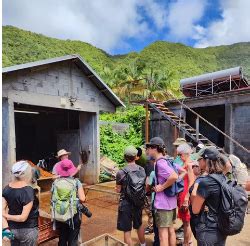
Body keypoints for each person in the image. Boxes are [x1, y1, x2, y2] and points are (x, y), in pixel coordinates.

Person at [192, 147, 227, 246]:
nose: (199, 161)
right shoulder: (223, 178)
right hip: (222, 227)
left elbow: (195, 210)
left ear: (205, 160)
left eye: (200, 159)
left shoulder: (206, 182)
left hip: (208, 229)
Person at [147, 137, 178, 246]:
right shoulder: (168, 160)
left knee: (162, 236)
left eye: (149, 147)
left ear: (154, 148)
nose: (148, 150)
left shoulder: (160, 163)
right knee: (171, 231)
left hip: (163, 205)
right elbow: (181, 172)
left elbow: (174, 176)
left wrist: (162, 187)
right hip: (171, 203)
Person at [2, 161, 39, 246]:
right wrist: (6, 216)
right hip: (28, 230)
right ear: (27, 173)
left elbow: (1, 211)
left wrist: (5, 229)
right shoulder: (28, 190)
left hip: (12, 229)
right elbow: (23, 218)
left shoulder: (6, 189)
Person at [116, 146, 146, 246]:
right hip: (138, 201)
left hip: (126, 203)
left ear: (125, 157)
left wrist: (117, 189)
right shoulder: (142, 170)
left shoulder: (121, 172)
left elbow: (118, 189)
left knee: (127, 229)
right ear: (136, 157)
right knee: (139, 224)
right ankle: (143, 244)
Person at [51, 159, 86, 246]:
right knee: (73, 239)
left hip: (60, 214)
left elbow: (53, 198)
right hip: (73, 215)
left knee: (62, 237)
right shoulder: (76, 182)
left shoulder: (55, 183)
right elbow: (82, 198)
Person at [176, 144, 195, 246]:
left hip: (185, 195)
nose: (179, 157)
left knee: (187, 222)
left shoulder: (189, 165)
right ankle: (187, 242)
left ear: (185, 154)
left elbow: (192, 181)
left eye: (180, 154)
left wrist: (186, 198)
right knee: (186, 222)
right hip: (184, 194)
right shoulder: (188, 164)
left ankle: (187, 243)